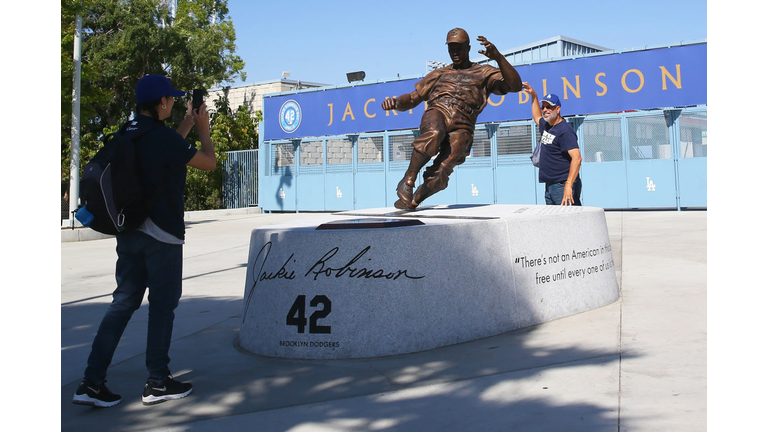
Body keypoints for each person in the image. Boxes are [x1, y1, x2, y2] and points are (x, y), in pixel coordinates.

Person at [72, 74, 217, 408]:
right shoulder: (164, 140)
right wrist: (203, 130)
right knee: (163, 307)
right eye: (171, 100)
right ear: (162, 103)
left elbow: (166, 149)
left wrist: (184, 124)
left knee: (122, 304)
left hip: (129, 233)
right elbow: (207, 163)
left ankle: (91, 383)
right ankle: (157, 381)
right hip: (162, 236)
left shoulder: (129, 133)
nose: (174, 103)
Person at [382, 28, 523, 209]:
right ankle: (408, 179)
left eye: (459, 47)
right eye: (451, 48)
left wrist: (498, 57)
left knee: (442, 171)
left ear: (468, 47)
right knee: (435, 132)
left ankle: (415, 199)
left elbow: (515, 85)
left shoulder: (484, 72)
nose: (455, 52)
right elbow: (411, 98)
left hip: (463, 124)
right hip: (439, 111)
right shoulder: (439, 74)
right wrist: (395, 102)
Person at [521, 82, 583, 205]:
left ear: (558, 109)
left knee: (568, 220)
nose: (545, 110)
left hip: (562, 184)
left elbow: (577, 158)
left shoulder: (565, 131)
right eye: (543, 107)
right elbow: (536, 116)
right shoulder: (546, 126)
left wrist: (568, 185)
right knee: (554, 221)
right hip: (550, 184)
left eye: (549, 107)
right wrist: (533, 95)